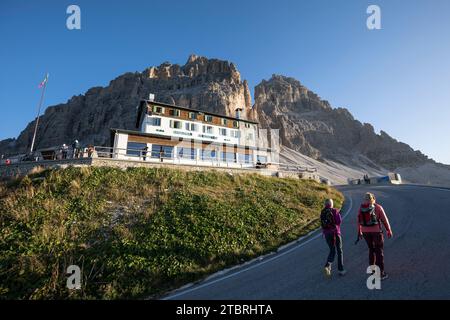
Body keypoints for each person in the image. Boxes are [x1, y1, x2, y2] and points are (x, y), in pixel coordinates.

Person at [357, 192, 393, 280]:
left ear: (365, 199)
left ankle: (372, 271)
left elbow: (358, 221)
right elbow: (385, 220)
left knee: (371, 250)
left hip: (365, 232)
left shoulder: (361, 208)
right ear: (374, 199)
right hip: (376, 232)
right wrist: (388, 230)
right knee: (379, 251)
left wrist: (359, 232)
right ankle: (381, 273)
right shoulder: (378, 207)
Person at [321, 199, 346, 277]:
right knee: (339, 251)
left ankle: (327, 265)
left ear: (325, 204)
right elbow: (339, 221)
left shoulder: (322, 212)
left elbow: (322, 224)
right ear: (331, 204)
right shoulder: (334, 211)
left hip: (327, 234)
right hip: (335, 233)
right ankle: (341, 270)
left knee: (332, 250)